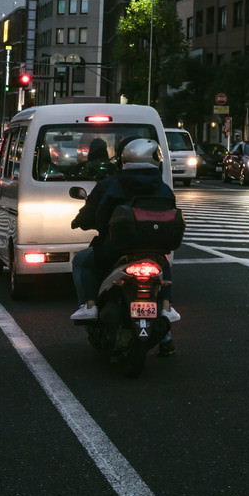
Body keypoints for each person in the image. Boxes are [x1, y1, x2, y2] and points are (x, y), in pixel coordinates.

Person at [68, 137, 180, 356]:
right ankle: (166, 315)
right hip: (155, 250)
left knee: (82, 261)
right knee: (164, 269)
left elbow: (94, 215)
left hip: (115, 250)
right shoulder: (164, 189)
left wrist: (81, 221)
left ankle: (89, 305)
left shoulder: (110, 184)